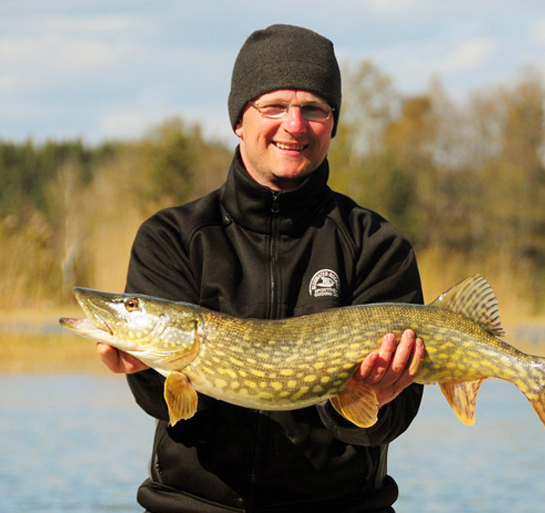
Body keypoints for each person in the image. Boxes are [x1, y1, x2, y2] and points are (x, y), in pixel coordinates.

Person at [97, 24, 425, 513]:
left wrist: (371, 398)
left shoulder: (375, 244)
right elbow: (172, 407)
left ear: (332, 123)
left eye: (313, 109)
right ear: (239, 120)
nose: (294, 125)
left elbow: (394, 416)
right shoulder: (173, 237)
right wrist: (147, 372)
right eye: (274, 107)